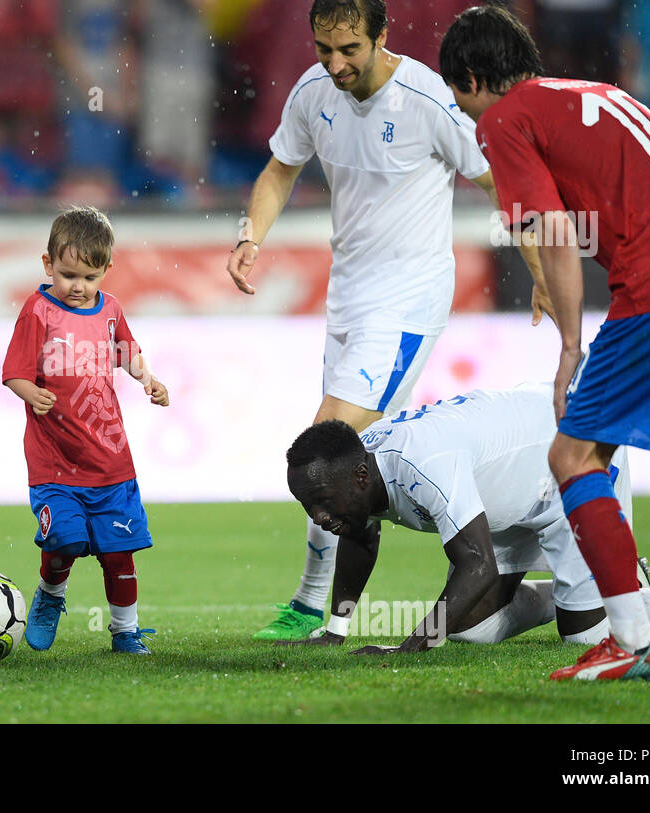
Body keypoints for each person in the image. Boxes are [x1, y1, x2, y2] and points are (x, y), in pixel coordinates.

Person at [226, 0, 551, 644]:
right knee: (349, 461)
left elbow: (498, 183)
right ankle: (577, 565)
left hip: (407, 303)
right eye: (324, 50)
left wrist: (543, 270)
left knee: (326, 444)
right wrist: (250, 236)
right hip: (347, 298)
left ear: (381, 36)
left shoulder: (427, 101)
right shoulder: (313, 91)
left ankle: (310, 604)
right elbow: (280, 169)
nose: (335, 63)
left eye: (350, 49)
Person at [440, 5, 650, 680]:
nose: (468, 121)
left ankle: (631, 642)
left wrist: (570, 345)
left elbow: (551, 230)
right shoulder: (592, 93)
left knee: (572, 455)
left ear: (469, 78)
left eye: (460, 103)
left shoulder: (504, 117)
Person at [283, 386, 650, 656]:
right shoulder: (359, 471)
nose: (319, 517)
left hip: (572, 462)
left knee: (583, 635)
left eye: (322, 501)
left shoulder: (422, 465)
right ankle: (621, 585)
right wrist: (335, 631)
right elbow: (361, 540)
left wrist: (409, 649)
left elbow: (476, 565)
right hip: (508, 494)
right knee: (469, 629)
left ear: (360, 476)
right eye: (308, 506)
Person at [2, 206, 170, 654]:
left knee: (119, 554)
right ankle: (51, 595)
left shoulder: (110, 310)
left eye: (90, 278)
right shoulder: (38, 311)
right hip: (55, 462)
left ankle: (125, 632)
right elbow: (14, 371)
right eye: (68, 274)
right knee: (66, 540)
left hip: (110, 460)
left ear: (106, 270)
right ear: (47, 264)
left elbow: (128, 351)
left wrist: (147, 378)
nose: (79, 287)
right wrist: (29, 393)